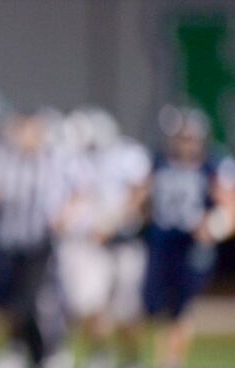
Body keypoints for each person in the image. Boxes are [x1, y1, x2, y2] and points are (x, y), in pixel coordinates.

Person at [0, 108, 81, 368]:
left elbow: (80, 190)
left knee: (32, 302)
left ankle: (45, 351)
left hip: (39, 242)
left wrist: (66, 214)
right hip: (6, 242)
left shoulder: (55, 159)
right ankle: (22, 348)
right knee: (7, 301)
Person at [56, 106, 151, 368]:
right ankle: (101, 355)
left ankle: (131, 357)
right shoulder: (79, 160)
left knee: (127, 310)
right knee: (91, 303)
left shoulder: (128, 154)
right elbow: (79, 195)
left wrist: (113, 220)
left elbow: (140, 193)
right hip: (94, 243)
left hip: (124, 241)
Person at [143, 106, 233, 368]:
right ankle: (166, 359)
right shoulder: (159, 162)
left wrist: (215, 225)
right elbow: (144, 199)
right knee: (158, 304)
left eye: (188, 137)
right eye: (181, 138)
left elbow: (229, 205)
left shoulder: (213, 166)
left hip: (192, 241)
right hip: (162, 240)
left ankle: (172, 360)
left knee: (182, 305)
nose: (184, 143)